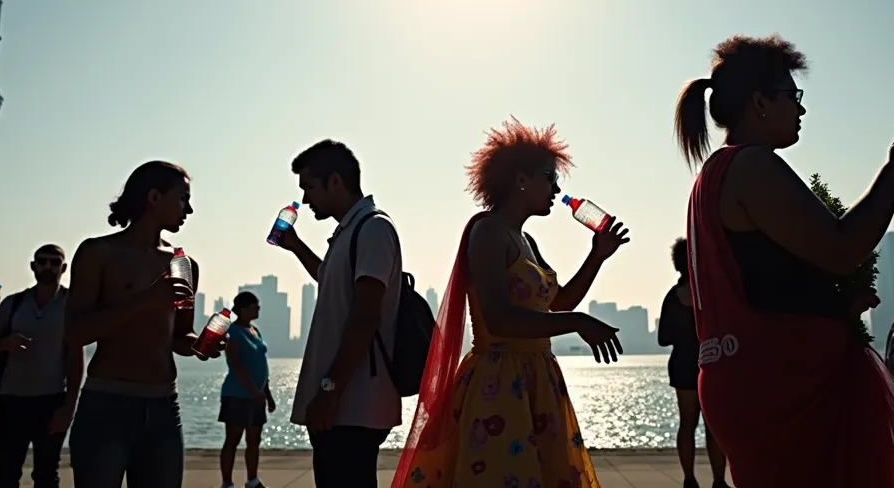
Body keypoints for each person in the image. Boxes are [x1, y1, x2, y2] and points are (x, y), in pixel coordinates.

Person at [674, 35, 894, 488]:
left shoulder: (716, 174)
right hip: (781, 382)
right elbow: (841, 249)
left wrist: (833, 308)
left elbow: (763, 280)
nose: (800, 109)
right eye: (792, 97)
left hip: (747, 375)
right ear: (759, 102)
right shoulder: (752, 165)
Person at [391, 118, 629, 488]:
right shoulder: (487, 232)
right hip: (500, 382)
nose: (557, 188)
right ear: (520, 180)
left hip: (538, 378)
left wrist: (598, 255)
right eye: (549, 177)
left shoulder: (526, 240)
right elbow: (499, 318)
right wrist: (578, 322)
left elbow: (560, 300)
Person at [63, 161, 219, 488]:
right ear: (153, 197)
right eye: (182, 198)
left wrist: (200, 343)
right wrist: (144, 299)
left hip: (164, 407)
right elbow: (75, 332)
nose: (189, 209)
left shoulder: (183, 265)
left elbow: (180, 335)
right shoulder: (99, 252)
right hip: (107, 405)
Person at [273, 139, 401, 487]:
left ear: (335, 181)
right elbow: (331, 280)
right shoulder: (349, 231)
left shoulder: (373, 228)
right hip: (344, 402)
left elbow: (365, 316)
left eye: (310, 187)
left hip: (354, 403)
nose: (306, 199)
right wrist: (296, 246)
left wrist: (329, 390)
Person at [0, 244, 84, 488]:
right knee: (5, 477)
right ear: (33, 267)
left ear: (63, 268)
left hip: (52, 402)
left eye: (54, 262)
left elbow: (76, 359)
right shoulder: (12, 304)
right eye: (42, 261)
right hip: (10, 402)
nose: (48, 266)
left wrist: (69, 407)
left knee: (47, 476)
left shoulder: (72, 305)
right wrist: (5, 343)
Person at [658, 237, 729, 488]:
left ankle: (689, 479)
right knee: (714, 427)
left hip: (682, 366)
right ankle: (719, 481)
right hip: (710, 365)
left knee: (687, 424)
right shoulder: (711, 295)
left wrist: (682, 333)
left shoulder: (672, 298)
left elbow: (663, 338)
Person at [218, 291, 274, 488]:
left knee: (254, 440)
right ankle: (227, 483)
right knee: (232, 440)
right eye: (254, 306)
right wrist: (253, 390)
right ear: (243, 308)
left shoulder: (255, 330)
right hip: (237, 394)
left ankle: (252, 480)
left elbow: (261, 364)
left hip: (256, 397)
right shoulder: (233, 331)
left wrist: (267, 394)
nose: (258, 309)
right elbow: (236, 364)